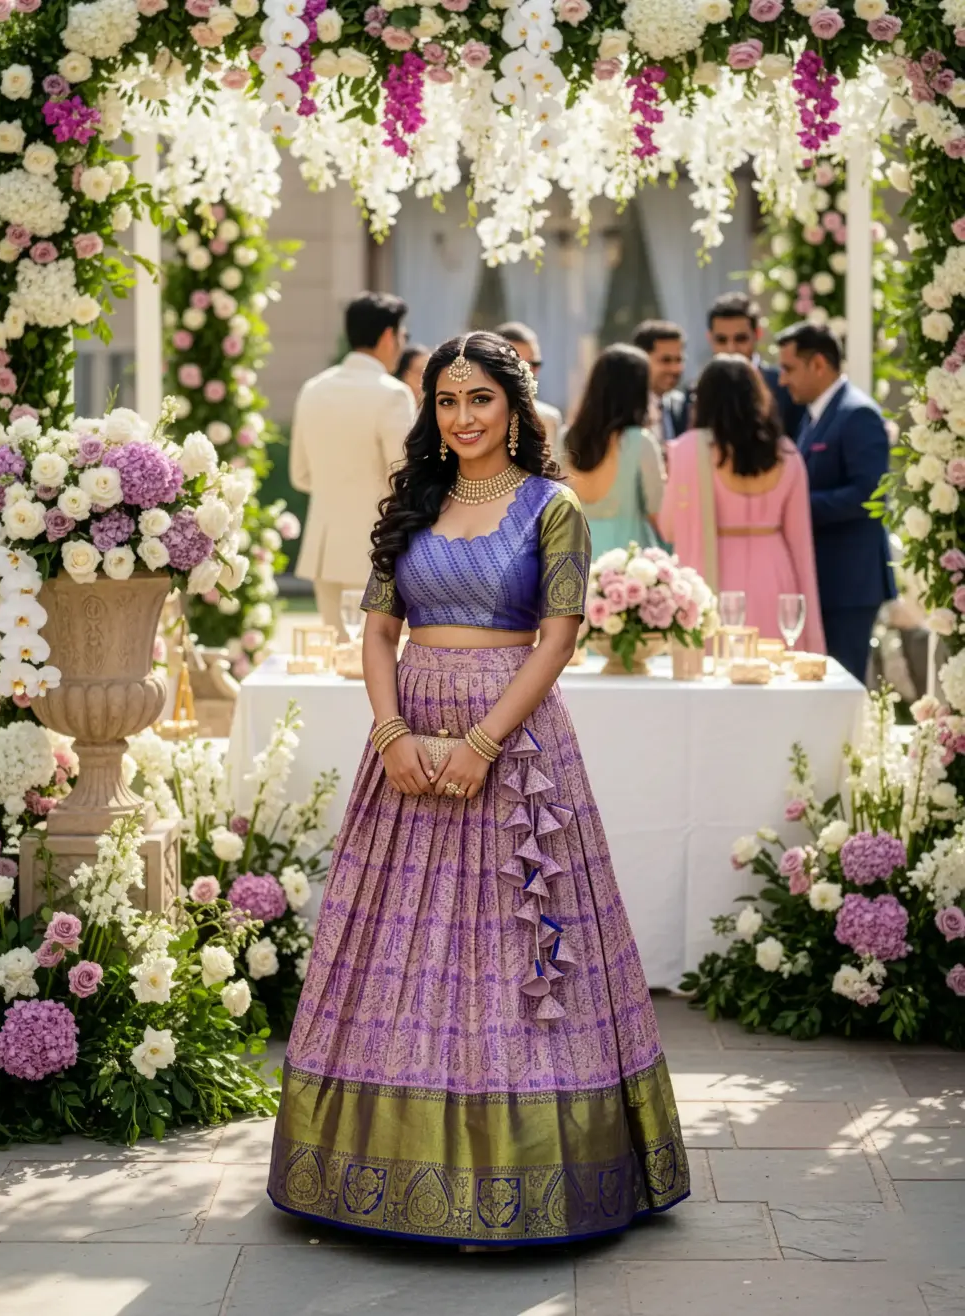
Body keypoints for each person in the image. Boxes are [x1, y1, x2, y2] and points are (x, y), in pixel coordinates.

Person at [268, 331, 690, 1248]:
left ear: (515, 407)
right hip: (409, 743)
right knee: (399, 944)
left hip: (516, 742)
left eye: (480, 401)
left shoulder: (552, 507)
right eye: (446, 402)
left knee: (516, 945)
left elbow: (559, 636)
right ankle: (377, 1173)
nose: (461, 418)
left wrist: (483, 742)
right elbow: (379, 632)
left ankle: (533, 1172)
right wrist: (390, 734)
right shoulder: (413, 502)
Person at [660, 354, 825, 654]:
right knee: (771, 676)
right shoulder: (786, 452)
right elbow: (801, 543)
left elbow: (669, 528)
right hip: (776, 575)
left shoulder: (688, 450)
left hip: (713, 579)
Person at [290, 292, 416, 639]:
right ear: (389, 336)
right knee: (381, 666)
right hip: (378, 550)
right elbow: (405, 477)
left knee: (337, 662)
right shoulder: (392, 393)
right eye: (402, 335)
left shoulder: (313, 389)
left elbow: (300, 475)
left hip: (324, 550)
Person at [776, 321, 895, 683]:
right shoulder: (815, 415)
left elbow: (870, 496)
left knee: (845, 686)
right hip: (827, 579)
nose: (782, 380)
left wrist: (796, 509)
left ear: (819, 365)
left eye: (788, 368)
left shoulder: (857, 413)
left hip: (850, 583)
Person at [563, 343, 665, 554]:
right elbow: (657, 510)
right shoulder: (640, 441)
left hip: (576, 556)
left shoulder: (565, 437)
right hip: (629, 564)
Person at [706, 292, 804, 439]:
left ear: (757, 334)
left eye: (741, 339)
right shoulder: (697, 393)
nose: (731, 349)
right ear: (709, 338)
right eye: (721, 340)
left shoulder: (785, 387)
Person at [495, 320, 563, 454]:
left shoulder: (549, 419)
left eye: (534, 363)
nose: (528, 372)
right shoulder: (475, 417)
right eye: (518, 364)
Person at [633, 320, 688, 449]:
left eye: (679, 360)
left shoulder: (681, 404)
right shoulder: (627, 410)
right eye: (666, 360)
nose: (674, 369)